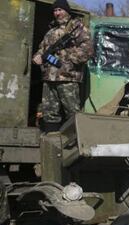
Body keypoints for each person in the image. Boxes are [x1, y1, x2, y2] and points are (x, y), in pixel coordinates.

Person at [32, 0, 93, 133]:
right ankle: (52, 141)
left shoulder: (77, 28)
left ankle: (75, 143)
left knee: (72, 112)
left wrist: (66, 59)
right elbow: (42, 50)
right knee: (49, 112)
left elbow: (87, 50)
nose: (57, 13)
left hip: (67, 77)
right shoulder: (51, 32)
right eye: (55, 10)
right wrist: (37, 56)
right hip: (49, 78)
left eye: (60, 10)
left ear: (66, 11)